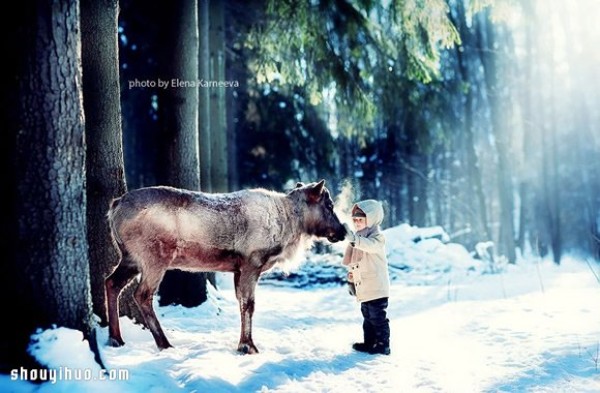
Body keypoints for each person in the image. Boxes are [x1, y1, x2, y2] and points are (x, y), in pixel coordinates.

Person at [342, 200, 391, 355]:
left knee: (378, 317)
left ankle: (383, 345)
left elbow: (368, 245)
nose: (356, 223)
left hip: (377, 287)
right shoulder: (358, 237)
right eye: (354, 220)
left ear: (371, 219)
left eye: (360, 220)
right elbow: (356, 262)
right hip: (365, 287)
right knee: (367, 317)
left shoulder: (377, 237)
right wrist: (351, 277)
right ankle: (370, 343)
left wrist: (354, 240)